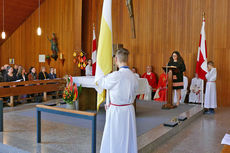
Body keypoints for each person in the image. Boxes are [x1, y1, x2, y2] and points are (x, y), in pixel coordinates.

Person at [98, 48, 138, 153]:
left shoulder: (116, 75)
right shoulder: (134, 76)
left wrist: (100, 67)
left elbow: (101, 82)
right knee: (127, 137)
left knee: (116, 138)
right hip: (129, 110)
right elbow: (134, 93)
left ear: (116, 59)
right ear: (127, 59)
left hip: (117, 110)